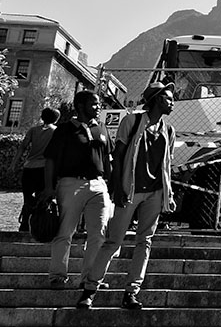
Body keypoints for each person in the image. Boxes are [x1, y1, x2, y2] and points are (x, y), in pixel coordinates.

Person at [78, 82, 177, 310]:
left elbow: (167, 165)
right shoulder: (131, 122)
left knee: (145, 242)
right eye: (168, 98)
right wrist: (118, 189)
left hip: (155, 193)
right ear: (157, 100)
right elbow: (118, 156)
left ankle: (131, 292)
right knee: (113, 241)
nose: (172, 103)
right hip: (130, 190)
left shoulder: (168, 130)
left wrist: (168, 194)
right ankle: (90, 290)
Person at [41, 91, 113, 289]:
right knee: (64, 232)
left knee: (98, 233)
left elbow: (108, 159)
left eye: (99, 104)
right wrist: (49, 187)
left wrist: (111, 185)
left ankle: (90, 279)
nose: (98, 107)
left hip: (99, 185)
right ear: (80, 106)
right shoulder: (64, 130)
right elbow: (50, 159)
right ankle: (57, 275)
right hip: (70, 183)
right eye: (94, 104)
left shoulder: (102, 129)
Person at [10, 107, 61, 232]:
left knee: (28, 198)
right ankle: (41, 225)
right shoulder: (56, 131)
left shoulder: (33, 130)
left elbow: (22, 147)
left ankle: (24, 225)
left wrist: (13, 164)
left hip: (29, 168)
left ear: (42, 117)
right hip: (46, 169)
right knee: (44, 198)